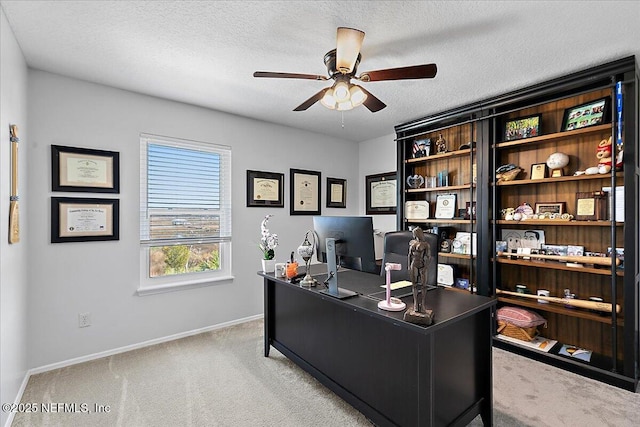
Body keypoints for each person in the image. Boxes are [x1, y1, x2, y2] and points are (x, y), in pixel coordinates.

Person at [408, 227, 431, 313]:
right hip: (413, 264)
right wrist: (408, 266)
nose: (414, 235)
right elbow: (409, 255)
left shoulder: (426, 244)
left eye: (415, 233)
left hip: (422, 265)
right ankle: (415, 303)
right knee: (414, 285)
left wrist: (425, 267)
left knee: (424, 285)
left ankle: (423, 304)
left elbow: (429, 257)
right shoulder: (412, 243)